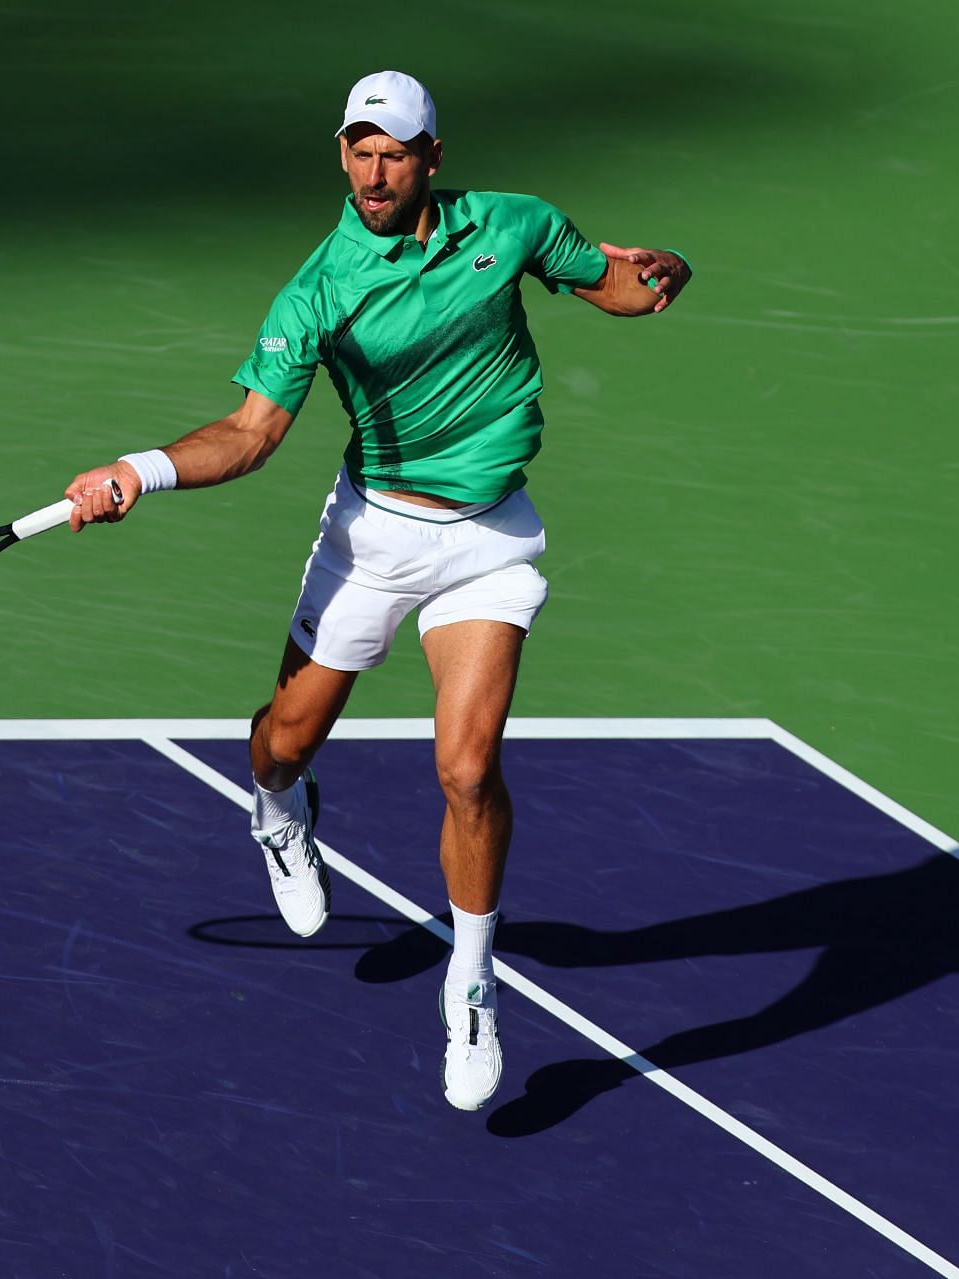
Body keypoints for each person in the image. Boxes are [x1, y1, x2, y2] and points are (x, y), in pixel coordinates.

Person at [59, 70, 692, 1112]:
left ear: (432, 159)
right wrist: (143, 468)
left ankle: (474, 982)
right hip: (373, 539)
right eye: (358, 149)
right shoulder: (320, 288)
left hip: (489, 539)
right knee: (284, 742)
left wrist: (664, 273)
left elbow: (608, 280)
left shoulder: (513, 225)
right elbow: (252, 432)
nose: (373, 169)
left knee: (467, 767)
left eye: (394, 151)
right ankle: (277, 811)